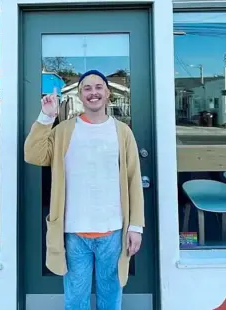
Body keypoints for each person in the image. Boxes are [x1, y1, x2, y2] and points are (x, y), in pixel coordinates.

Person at [24, 69, 144, 310]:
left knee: (110, 300)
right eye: (87, 88)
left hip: (113, 231)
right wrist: (46, 117)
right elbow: (33, 154)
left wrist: (136, 226)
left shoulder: (122, 132)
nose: (93, 93)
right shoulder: (64, 130)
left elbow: (133, 179)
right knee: (75, 301)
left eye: (98, 87)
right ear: (79, 95)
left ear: (108, 93)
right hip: (74, 231)